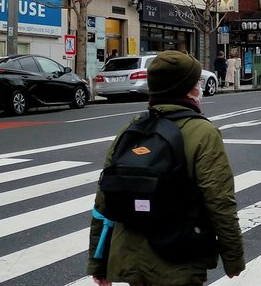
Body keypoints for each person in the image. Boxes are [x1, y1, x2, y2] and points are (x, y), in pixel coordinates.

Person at [87, 51, 244, 285]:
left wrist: (98, 262)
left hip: (130, 257)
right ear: (188, 89)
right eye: (196, 83)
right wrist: (233, 257)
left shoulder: (131, 129)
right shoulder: (203, 132)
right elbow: (219, 201)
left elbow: (103, 200)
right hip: (177, 259)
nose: (199, 88)